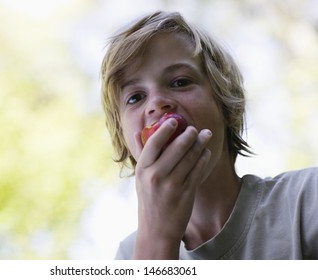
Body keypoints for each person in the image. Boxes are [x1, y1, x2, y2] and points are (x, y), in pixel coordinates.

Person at [100, 11, 318, 259]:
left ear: (224, 102)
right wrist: (158, 237)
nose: (157, 103)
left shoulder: (306, 201)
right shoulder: (130, 256)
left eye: (180, 82)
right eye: (135, 97)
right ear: (125, 140)